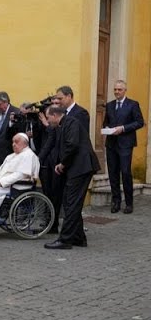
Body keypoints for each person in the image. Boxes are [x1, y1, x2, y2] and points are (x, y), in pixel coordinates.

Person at [43, 106, 100, 249]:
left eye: (48, 118)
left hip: (81, 167)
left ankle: (65, 240)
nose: (48, 121)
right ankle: (78, 238)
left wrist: (62, 163)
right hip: (76, 168)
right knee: (71, 203)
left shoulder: (71, 123)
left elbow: (72, 145)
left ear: (55, 115)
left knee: (72, 203)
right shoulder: (64, 124)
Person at [102, 79, 145, 214]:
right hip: (111, 144)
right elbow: (106, 123)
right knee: (113, 173)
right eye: (115, 89)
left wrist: (124, 128)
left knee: (125, 173)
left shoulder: (132, 104)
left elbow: (139, 122)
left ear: (125, 90)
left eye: (119, 89)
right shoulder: (109, 105)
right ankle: (116, 202)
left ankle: (129, 203)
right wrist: (106, 129)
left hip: (126, 144)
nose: (116, 92)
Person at [37, 95, 63, 233]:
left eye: (57, 102)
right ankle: (48, 221)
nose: (54, 104)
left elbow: (57, 138)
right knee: (46, 192)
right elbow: (43, 140)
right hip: (46, 159)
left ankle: (54, 223)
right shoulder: (46, 117)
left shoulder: (63, 120)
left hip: (58, 162)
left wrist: (48, 125)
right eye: (52, 103)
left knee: (56, 194)